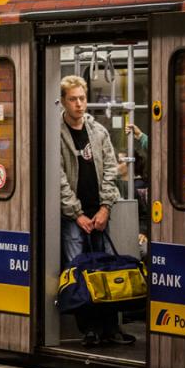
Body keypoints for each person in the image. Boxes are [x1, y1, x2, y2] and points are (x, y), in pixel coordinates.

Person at [59, 76, 131, 347]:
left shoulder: (98, 132)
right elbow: (59, 179)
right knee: (79, 271)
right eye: (73, 99)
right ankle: (88, 329)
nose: (79, 104)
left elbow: (110, 171)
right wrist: (76, 213)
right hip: (73, 218)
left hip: (100, 215)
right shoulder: (57, 134)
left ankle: (110, 328)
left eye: (82, 98)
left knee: (106, 270)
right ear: (64, 102)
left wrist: (105, 208)